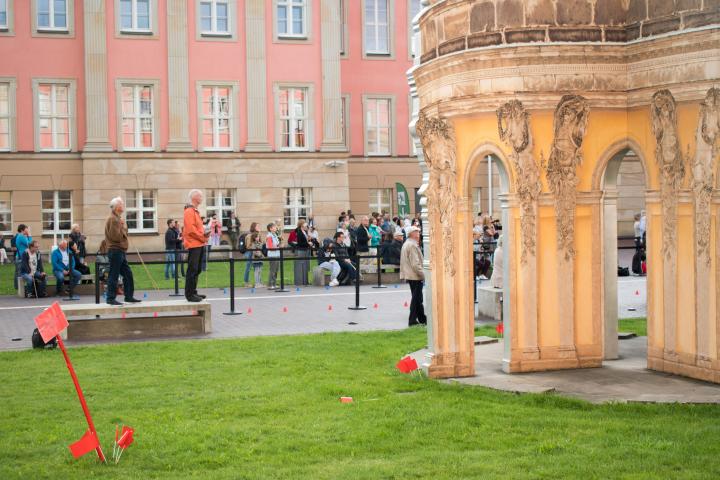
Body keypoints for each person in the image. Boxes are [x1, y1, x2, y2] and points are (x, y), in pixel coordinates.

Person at [105, 197, 139, 305]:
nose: (123, 206)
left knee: (127, 274)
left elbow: (124, 233)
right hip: (115, 250)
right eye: (121, 204)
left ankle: (129, 296)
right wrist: (122, 227)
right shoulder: (113, 219)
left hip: (120, 251)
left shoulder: (117, 219)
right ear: (117, 207)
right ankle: (110, 298)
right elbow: (116, 237)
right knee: (113, 274)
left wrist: (122, 226)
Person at [184, 190, 210, 302]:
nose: (202, 198)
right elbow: (191, 230)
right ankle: (189, 294)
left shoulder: (195, 211)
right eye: (200, 196)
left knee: (197, 269)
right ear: (194, 197)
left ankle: (193, 292)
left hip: (198, 243)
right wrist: (202, 237)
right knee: (192, 269)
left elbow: (197, 228)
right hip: (194, 244)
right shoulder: (189, 211)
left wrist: (204, 233)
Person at [400, 226, 427, 326]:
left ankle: (422, 318)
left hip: (411, 275)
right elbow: (415, 264)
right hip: (415, 275)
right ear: (411, 234)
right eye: (416, 232)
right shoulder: (412, 245)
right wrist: (424, 275)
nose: (418, 234)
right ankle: (412, 321)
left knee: (418, 298)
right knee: (416, 299)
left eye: (418, 232)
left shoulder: (408, 243)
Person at [13, 224, 32, 290]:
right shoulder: (21, 236)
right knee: (19, 273)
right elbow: (30, 244)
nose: (27, 230)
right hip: (21, 257)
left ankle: (18, 288)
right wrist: (29, 235)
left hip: (21, 257)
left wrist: (27, 236)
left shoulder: (21, 236)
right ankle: (19, 289)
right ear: (22, 230)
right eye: (26, 228)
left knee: (18, 273)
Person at [293, 219, 310, 286]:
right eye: (305, 223)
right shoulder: (299, 232)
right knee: (302, 265)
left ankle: (305, 281)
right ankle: (301, 281)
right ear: (302, 225)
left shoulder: (304, 231)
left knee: (305, 266)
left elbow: (305, 241)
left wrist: (308, 242)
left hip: (305, 250)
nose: (306, 224)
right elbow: (300, 243)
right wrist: (308, 244)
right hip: (302, 250)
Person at [266, 223, 281, 290]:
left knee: (276, 270)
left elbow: (277, 243)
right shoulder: (269, 236)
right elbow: (270, 246)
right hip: (272, 255)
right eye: (274, 227)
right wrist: (278, 246)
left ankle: (274, 283)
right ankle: (270, 284)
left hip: (277, 254)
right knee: (272, 270)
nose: (276, 228)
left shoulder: (275, 235)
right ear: (270, 228)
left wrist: (279, 244)